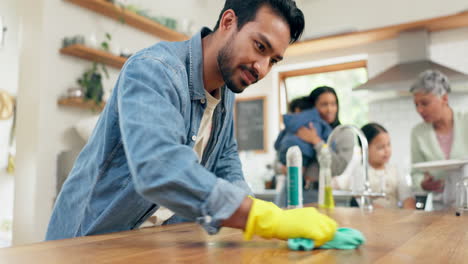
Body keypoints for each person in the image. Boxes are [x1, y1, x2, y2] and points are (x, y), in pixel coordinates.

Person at [46, 0, 337, 245]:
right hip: (88, 242)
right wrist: (263, 219)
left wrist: (260, 213)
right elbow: (158, 167)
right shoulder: (154, 70)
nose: (262, 69)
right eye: (260, 47)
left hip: (150, 244)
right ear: (228, 22)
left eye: (274, 60)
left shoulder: (226, 92)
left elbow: (225, 161)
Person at [275, 86, 355, 207]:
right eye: (324, 104)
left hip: (318, 195)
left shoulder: (343, 133)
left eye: (333, 104)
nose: (329, 109)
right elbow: (276, 163)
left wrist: (316, 141)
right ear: (313, 108)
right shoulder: (299, 128)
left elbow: (337, 168)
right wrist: (284, 168)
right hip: (289, 190)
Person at [410, 69, 468, 209]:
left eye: (424, 103)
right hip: (440, 207)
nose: (419, 110)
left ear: (444, 98)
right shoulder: (418, 133)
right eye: (416, 105)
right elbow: (416, 173)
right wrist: (422, 184)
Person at [333, 123, 416, 209]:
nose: (387, 150)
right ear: (365, 149)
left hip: (396, 218)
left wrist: (408, 214)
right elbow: (364, 202)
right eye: (380, 147)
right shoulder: (360, 172)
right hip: (372, 219)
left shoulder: (395, 170)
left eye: (388, 145)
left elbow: (407, 196)